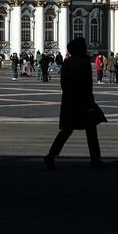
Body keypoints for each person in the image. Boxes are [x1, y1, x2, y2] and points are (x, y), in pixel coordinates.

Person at [43, 37, 105, 169]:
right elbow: (87, 86)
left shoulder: (67, 63)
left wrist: (69, 97)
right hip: (83, 102)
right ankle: (95, 160)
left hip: (69, 101)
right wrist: (90, 104)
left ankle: (51, 155)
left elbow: (63, 84)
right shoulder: (84, 63)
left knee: (66, 131)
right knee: (91, 132)